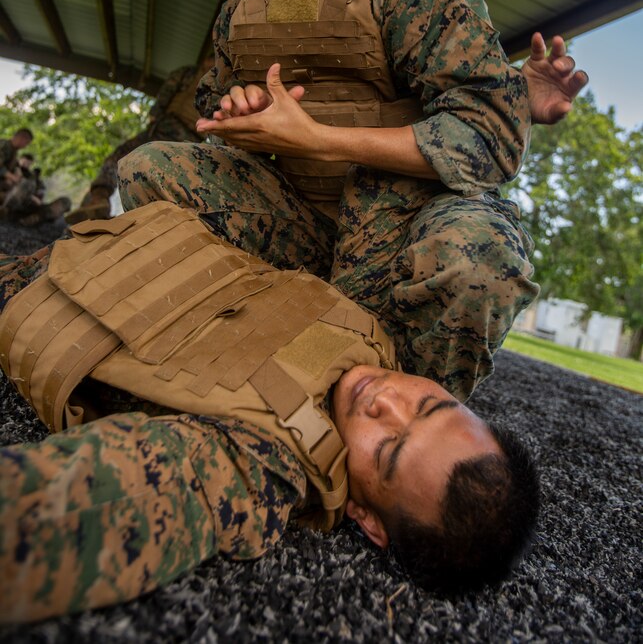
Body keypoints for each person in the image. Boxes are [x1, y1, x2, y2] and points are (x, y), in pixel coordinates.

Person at [117, 0, 588, 404]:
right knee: (148, 170)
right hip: (300, 221)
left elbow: (490, 137)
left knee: (479, 264)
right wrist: (248, 112)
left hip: (403, 227)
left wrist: (316, 137)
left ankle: (407, 420)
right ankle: (243, 358)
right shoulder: (245, 7)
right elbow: (215, 105)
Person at [0, 202, 539, 624]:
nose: (385, 401)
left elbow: (80, 508)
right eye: (429, 404)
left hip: (27, 295)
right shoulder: (376, 339)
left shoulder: (262, 466)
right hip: (106, 247)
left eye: (390, 448)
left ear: (368, 519)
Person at [65, 57, 215, 225]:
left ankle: (101, 199)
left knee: (121, 158)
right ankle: (102, 204)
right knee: (156, 178)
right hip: (186, 139)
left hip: (169, 130)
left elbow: (166, 93)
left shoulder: (195, 74)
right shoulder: (217, 82)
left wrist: (155, 115)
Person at [1, 157, 71, 227]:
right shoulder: (15, 168)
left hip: (20, 202)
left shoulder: (37, 183)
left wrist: (33, 198)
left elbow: (37, 196)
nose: (26, 164)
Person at [0, 127, 34, 195]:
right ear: (21, 138)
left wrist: (17, 172)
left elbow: (16, 166)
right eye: (26, 143)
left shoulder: (13, 152)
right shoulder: (4, 145)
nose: (25, 146)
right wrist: (11, 177)